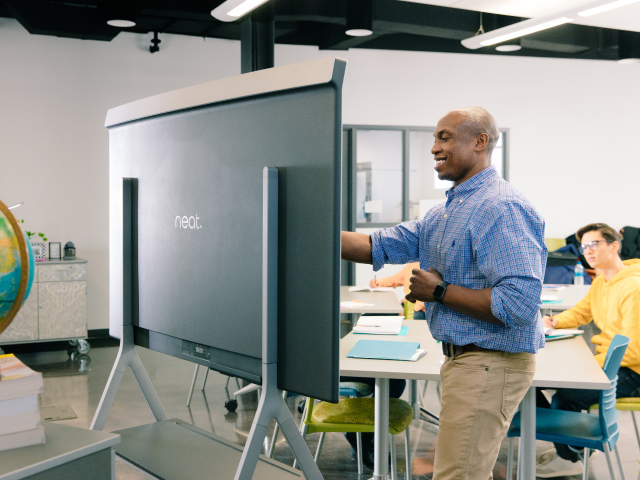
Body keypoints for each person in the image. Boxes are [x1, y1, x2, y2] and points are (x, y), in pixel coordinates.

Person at [342, 106, 547, 480]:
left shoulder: (503, 208)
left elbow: (517, 305)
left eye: (445, 137)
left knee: (458, 475)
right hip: (464, 361)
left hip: (491, 362)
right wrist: (306, 226)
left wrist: (438, 291)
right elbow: (378, 245)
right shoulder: (445, 212)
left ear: (480, 142)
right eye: (435, 137)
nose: (434, 147)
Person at [536, 223, 640, 478]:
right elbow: (581, 312)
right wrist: (556, 321)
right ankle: (571, 447)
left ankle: (572, 457)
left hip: (632, 370)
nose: (587, 251)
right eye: (584, 246)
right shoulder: (602, 281)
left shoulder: (633, 288)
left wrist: (587, 366)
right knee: (532, 386)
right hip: (610, 361)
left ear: (614, 246)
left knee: (565, 397)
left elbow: (633, 351)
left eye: (594, 244)